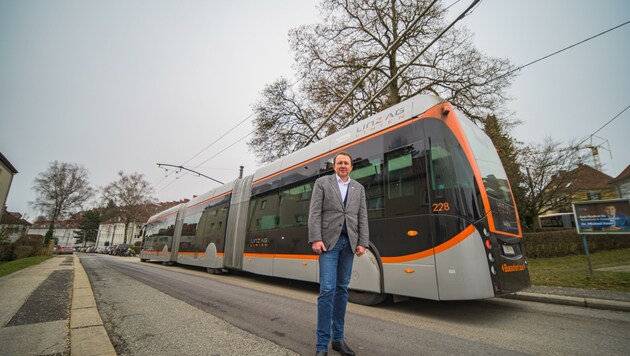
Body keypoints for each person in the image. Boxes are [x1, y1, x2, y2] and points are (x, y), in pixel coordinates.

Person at [308, 151, 369, 356]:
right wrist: (316, 238)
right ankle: (321, 346)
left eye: (346, 163)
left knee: (342, 290)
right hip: (328, 243)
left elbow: (362, 216)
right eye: (339, 162)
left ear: (351, 167)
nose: (343, 165)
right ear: (334, 166)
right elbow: (315, 212)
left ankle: (338, 340)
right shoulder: (322, 183)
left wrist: (363, 242)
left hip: (349, 243)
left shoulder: (358, 188)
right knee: (327, 290)